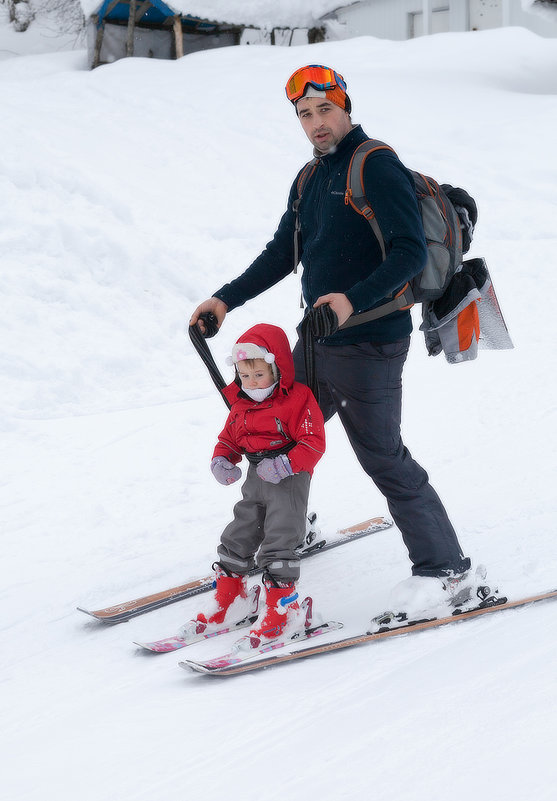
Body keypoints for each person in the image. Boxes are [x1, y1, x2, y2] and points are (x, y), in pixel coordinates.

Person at [191, 64, 476, 611]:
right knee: (273, 435)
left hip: (372, 343)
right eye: (305, 114)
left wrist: (352, 300)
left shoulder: (377, 166)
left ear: (345, 106)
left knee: (382, 456)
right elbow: (282, 253)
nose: (317, 123)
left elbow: (409, 253)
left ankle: (445, 568)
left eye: (325, 110)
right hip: (317, 342)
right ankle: (285, 530)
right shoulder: (310, 177)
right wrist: (225, 299)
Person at [190, 322, 325, 644]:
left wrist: (286, 464)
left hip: (289, 479)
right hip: (255, 477)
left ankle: (285, 607)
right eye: (244, 376)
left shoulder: (299, 398)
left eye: (259, 375)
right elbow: (229, 438)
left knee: (280, 537)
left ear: (277, 368)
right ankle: (232, 595)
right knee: (241, 527)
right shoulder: (240, 403)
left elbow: (314, 441)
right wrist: (222, 459)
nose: (251, 383)